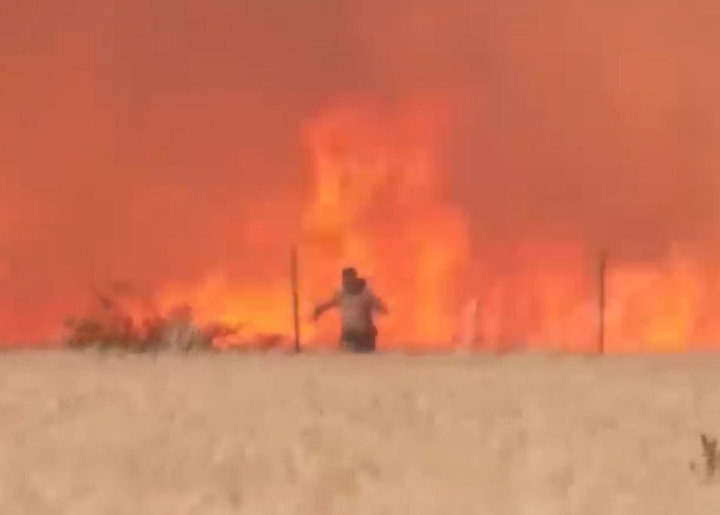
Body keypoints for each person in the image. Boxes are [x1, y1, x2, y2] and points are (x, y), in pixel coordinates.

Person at [312, 267, 388, 352]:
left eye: (350, 278)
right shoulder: (342, 294)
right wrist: (319, 310)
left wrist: (381, 309)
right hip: (348, 334)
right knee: (347, 360)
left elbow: (381, 308)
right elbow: (330, 303)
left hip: (365, 335)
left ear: (355, 278)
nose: (348, 281)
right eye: (345, 279)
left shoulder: (366, 294)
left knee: (365, 361)